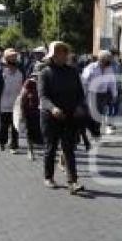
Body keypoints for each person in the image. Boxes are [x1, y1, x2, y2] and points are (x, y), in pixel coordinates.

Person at [38, 42, 86, 194]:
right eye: (60, 52)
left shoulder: (73, 72)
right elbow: (43, 97)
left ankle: (73, 181)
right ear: (53, 55)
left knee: (69, 149)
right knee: (50, 148)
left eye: (65, 52)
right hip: (50, 116)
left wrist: (79, 106)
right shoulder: (45, 73)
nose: (64, 55)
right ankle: (48, 177)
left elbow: (80, 94)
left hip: (70, 116)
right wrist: (53, 108)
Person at [0, 48, 24, 153]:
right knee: (4, 125)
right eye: (11, 57)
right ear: (6, 59)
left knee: (15, 125)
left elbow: (24, 86)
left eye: (14, 56)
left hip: (17, 103)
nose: (13, 59)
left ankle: (14, 145)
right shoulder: (1, 73)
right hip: (4, 103)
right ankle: (2, 141)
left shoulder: (20, 72)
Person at [81, 50, 118, 136]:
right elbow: (84, 81)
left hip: (103, 94)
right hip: (92, 94)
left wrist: (114, 94)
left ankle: (96, 131)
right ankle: (93, 129)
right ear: (101, 59)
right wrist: (84, 94)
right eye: (108, 60)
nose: (109, 62)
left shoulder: (109, 69)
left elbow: (112, 83)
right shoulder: (91, 68)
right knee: (92, 113)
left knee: (100, 114)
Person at [19, 63, 45, 161]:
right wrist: (22, 112)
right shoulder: (29, 82)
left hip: (43, 111)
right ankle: (30, 150)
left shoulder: (47, 82)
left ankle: (45, 150)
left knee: (42, 132)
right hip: (30, 110)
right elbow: (23, 97)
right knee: (30, 131)